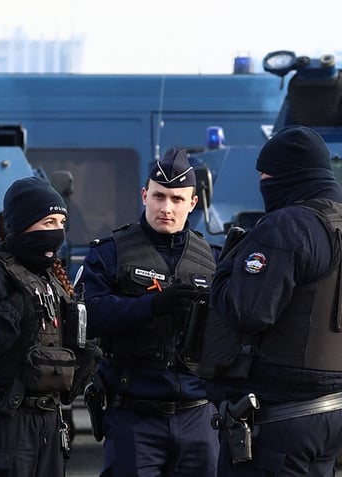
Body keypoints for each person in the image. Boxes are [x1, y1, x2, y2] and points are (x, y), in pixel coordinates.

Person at [199, 125, 342, 476]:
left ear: (289, 174)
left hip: (281, 417)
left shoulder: (288, 226)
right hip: (337, 410)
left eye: (266, 173)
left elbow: (247, 311)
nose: (263, 181)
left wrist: (225, 269)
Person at [75, 148, 220, 477]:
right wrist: (151, 306)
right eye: (158, 196)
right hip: (134, 415)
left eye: (176, 199)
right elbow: (87, 317)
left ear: (193, 203)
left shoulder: (213, 259)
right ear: (144, 195)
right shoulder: (110, 254)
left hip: (198, 415)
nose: (166, 208)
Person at [0, 176, 89, 477]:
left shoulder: (53, 281)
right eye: (48, 222)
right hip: (5, 426)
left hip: (49, 423)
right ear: (23, 225)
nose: (57, 232)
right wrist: (13, 311)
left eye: (61, 222)